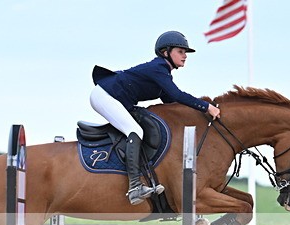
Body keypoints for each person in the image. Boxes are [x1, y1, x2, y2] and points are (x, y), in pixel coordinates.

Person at [90, 30, 221, 205]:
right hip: (104, 96)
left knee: (141, 127)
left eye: (185, 53)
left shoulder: (162, 72)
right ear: (165, 52)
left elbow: (171, 101)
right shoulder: (158, 68)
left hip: (115, 98)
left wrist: (197, 115)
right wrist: (206, 107)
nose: (185, 56)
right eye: (180, 52)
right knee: (135, 130)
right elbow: (178, 94)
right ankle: (135, 187)